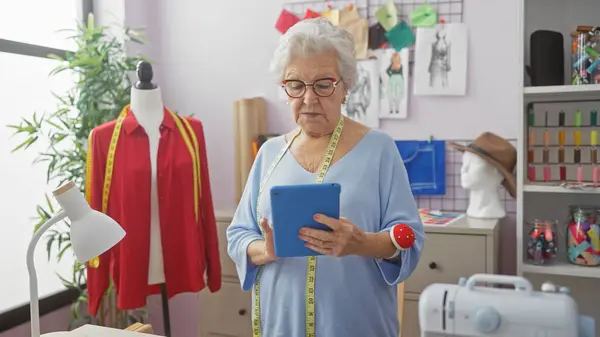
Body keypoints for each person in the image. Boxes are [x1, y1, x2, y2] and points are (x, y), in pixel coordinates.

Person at [226, 17, 425, 337]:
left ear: (345, 87)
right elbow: (238, 234)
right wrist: (266, 250)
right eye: (295, 85)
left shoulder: (379, 150)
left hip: (355, 324)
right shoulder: (269, 153)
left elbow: (409, 240)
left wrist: (364, 243)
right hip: (280, 324)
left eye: (323, 84)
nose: (308, 98)